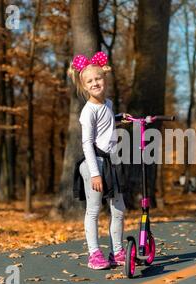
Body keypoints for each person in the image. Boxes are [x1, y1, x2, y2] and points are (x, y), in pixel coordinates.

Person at [69, 52, 131, 270]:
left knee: (119, 209)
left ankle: (117, 252)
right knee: (94, 210)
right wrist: (95, 173)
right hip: (94, 163)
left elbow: (106, 124)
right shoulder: (88, 112)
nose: (95, 83)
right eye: (90, 81)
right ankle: (94, 254)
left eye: (98, 79)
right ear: (84, 86)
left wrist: (118, 119)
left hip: (111, 163)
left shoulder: (108, 104)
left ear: (105, 78)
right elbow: (87, 143)